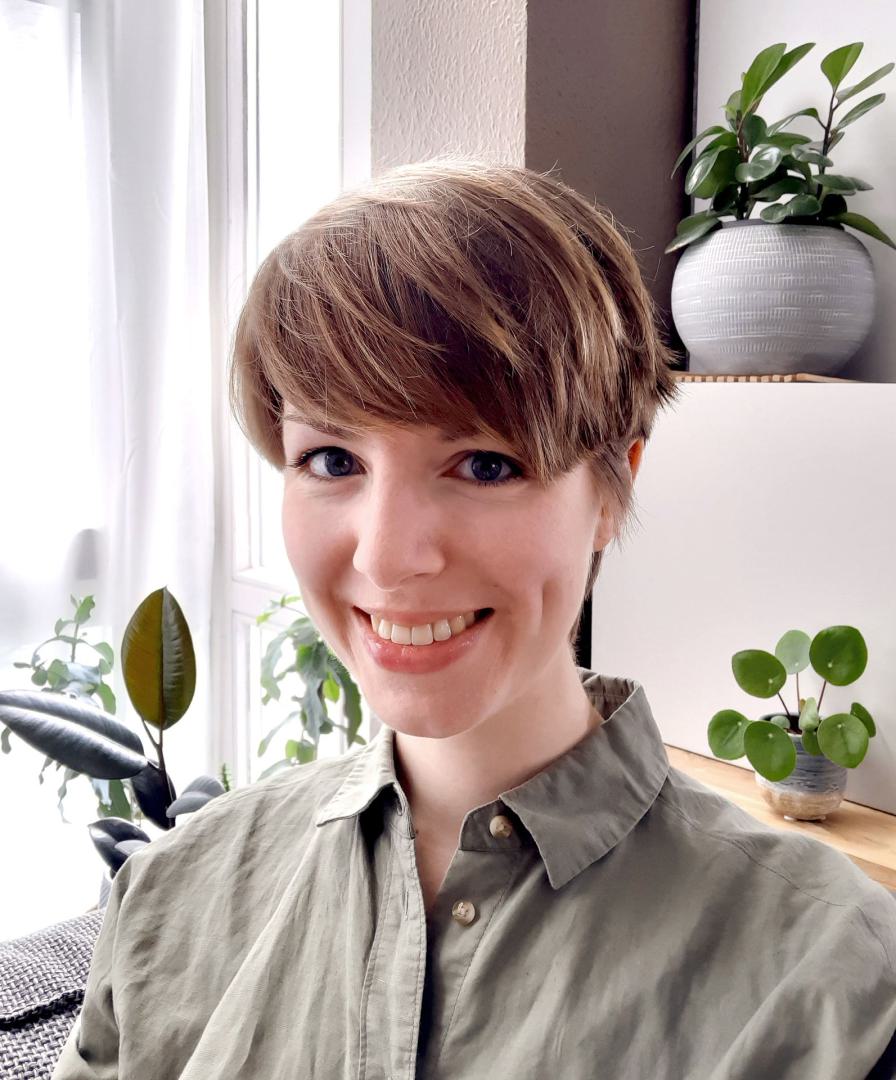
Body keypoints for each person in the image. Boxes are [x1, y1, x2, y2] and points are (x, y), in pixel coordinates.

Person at [52, 158, 896, 1080]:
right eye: (332, 460)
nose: (386, 557)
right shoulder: (167, 899)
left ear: (614, 486)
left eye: (486, 464)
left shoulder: (833, 981)